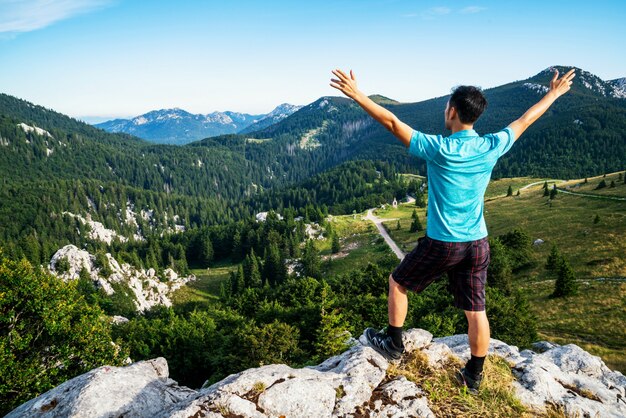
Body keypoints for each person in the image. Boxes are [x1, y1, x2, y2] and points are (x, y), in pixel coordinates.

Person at [329, 67, 575, 393]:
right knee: (476, 311)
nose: (445, 111)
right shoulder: (491, 145)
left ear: (453, 111)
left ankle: (393, 343)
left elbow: (391, 123)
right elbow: (526, 120)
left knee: (397, 282)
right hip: (478, 243)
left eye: (447, 106)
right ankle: (473, 376)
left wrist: (358, 95)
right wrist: (554, 94)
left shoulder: (439, 148)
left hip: (444, 243)